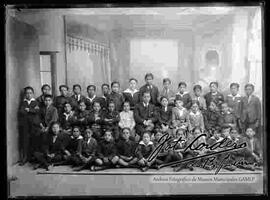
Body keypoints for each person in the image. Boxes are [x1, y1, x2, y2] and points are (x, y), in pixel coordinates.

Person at [18, 86, 41, 165]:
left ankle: (34, 158)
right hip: (25, 125)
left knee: (34, 141)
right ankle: (25, 158)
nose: (29, 95)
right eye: (27, 93)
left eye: (30, 93)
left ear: (33, 94)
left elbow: (37, 111)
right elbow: (22, 111)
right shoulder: (23, 102)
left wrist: (29, 110)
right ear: (25, 94)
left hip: (34, 125)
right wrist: (31, 110)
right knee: (25, 141)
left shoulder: (36, 102)